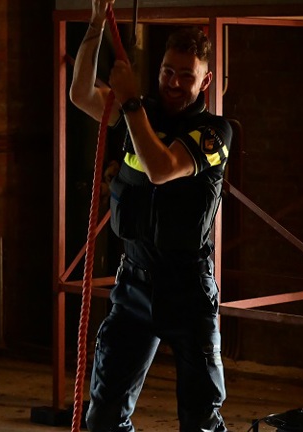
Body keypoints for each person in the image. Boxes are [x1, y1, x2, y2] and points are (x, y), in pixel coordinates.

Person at [69, 1, 232, 431]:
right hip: (135, 284)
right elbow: (81, 93)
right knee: (103, 416)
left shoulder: (215, 132)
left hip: (188, 291)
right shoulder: (137, 114)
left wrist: (129, 103)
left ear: (206, 80)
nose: (174, 83)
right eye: (166, 72)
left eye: (186, 75)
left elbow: (161, 168)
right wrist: (94, 27)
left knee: (199, 418)